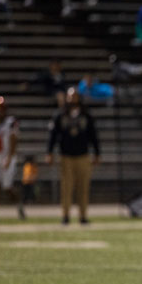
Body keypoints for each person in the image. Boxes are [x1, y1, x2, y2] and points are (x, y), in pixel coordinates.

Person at [46, 88, 101, 225]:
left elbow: (93, 136)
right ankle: (65, 216)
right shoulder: (60, 115)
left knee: (83, 187)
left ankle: (83, 216)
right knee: (66, 187)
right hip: (66, 156)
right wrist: (50, 152)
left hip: (83, 155)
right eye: (70, 97)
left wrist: (97, 153)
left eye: (74, 97)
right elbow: (53, 136)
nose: (72, 100)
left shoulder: (86, 115)